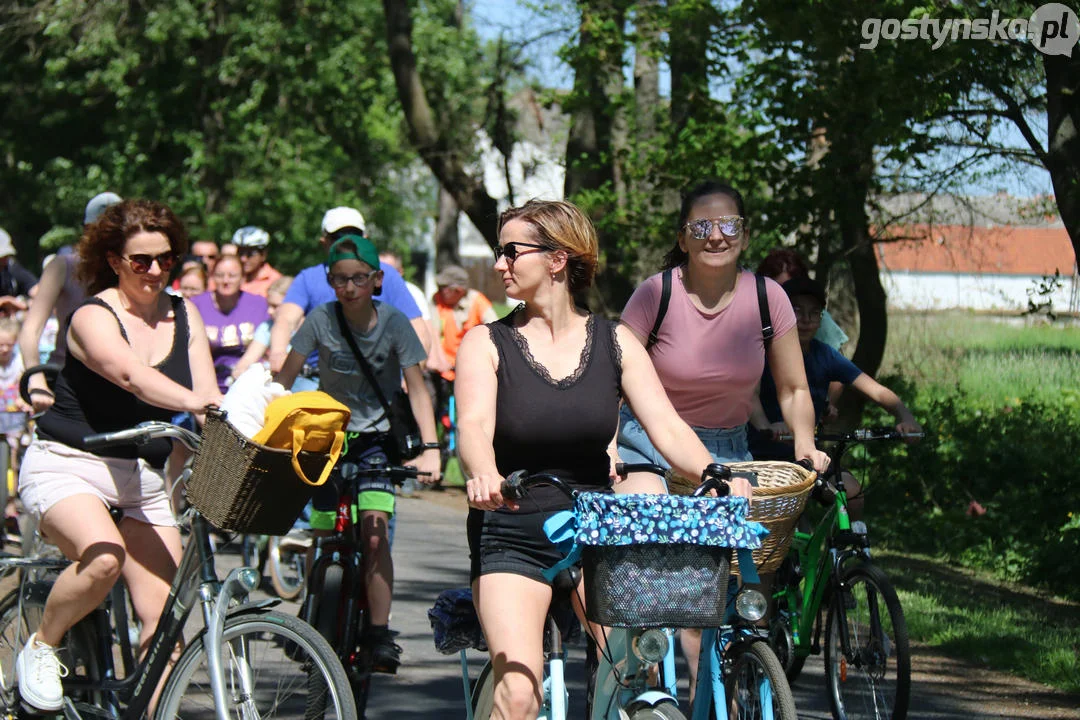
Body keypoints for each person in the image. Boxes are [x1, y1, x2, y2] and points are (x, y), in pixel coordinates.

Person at [456, 199, 753, 720]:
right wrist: (484, 474)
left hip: (598, 532)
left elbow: (665, 426)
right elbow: (474, 425)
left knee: (632, 673)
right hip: (512, 529)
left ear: (556, 259)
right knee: (521, 693)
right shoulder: (486, 342)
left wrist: (715, 472)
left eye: (511, 251)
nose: (500, 264)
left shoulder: (616, 342)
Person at [616, 180, 828, 693]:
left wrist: (805, 443)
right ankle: (650, 683)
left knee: (739, 590)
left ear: (745, 235)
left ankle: (723, 692)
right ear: (684, 238)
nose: (716, 236)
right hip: (650, 444)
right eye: (702, 226)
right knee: (675, 585)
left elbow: (795, 386)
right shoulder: (657, 293)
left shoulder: (766, 297)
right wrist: (608, 451)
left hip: (729, 449)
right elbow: (613, 376)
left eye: (728, 225)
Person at [15, 199, 221, 713]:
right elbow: (132, 375)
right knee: (103, 557)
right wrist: (194, 403)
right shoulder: (90, 316)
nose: (155, 272)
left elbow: (210, 399)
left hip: (139, 477)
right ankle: (42, 644)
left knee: (167, 624)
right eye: (141, 261)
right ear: (113, 261)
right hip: (68, 464)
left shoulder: (184, 313)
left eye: (167, 260)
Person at [273, 236, 441, 674]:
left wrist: (431, 450)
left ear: (377, 280)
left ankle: (379, 634)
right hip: (326, 436)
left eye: (359, 279)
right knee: (323, 530)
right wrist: (269, 426)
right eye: (340, 280)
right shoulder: (320, 320)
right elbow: (285, 377)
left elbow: (418, 390)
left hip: (375, 441)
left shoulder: (394, 324)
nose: (349, 288)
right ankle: (312, 615)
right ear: (330, 282)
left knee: (373, 533)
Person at [750, 276, 922, 519]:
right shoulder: (761, 352)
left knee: (851, 493)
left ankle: (838, 549)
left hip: (809, 459)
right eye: (797, 310)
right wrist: (768, 427)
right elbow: (747, 398)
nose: (806, 319)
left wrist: (905, 417)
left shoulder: (826, 355)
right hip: (762, 460)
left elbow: (877, 391)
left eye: (815, 312)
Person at [267, 206, 430, 391]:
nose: (346, 242)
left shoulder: (386, 276)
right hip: (318, 381)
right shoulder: (308, 278)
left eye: (355, 236)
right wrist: (278, 352)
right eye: (338, 237)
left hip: (379, 381)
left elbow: (418, 329)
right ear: (324, 242)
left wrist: (413, 376)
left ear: (366, 239)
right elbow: (285, 319)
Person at [18, 192, 123, 415]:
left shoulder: (133, 270)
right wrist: (36, 380)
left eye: (115, 232)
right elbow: (31, 329)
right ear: (86, 230)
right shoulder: (63, 266)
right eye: (99, 231)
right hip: (65, 379)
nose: (106, 239)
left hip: (119, 384)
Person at [190, 255, 268, 392]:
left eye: (232, 276)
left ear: (243, 278)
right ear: (212, 277)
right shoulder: (196, 305)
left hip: (250, 384)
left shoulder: (259, 305)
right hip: (207, 384)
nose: (226, 281)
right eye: (220, 275)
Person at [429, 265, 498, 409]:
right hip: (442, 365)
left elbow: (495, 330)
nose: (439, 291)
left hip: (470, 365)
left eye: (443, 287)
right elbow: (432, 331)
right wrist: (438, 360)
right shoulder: (436, 300)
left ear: (458, 290)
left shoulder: (477, 301)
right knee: (430, 397)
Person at [757, 248, 849, 350]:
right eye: (775, 292)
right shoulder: (752, 320)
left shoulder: (822, 324)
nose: (782, 300)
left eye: (789, 292)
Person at [230, 275, 293, 380]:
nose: (269, 311)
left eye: (275, 306)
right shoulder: (267, 327)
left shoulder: (309, 327)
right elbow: (247, 360)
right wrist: (239, 372)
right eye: (268, 305)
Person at [232, 226, 282, 297]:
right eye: (240, 253)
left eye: (250, 254)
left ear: (263, 255)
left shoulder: (276, 281)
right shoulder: (228, 277)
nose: (243, 259)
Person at [0, 227, 38, 314]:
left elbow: (36, 290)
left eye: (6, 256)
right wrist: (3, 301)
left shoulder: (11, 267)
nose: (4, 261)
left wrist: (26, 304)